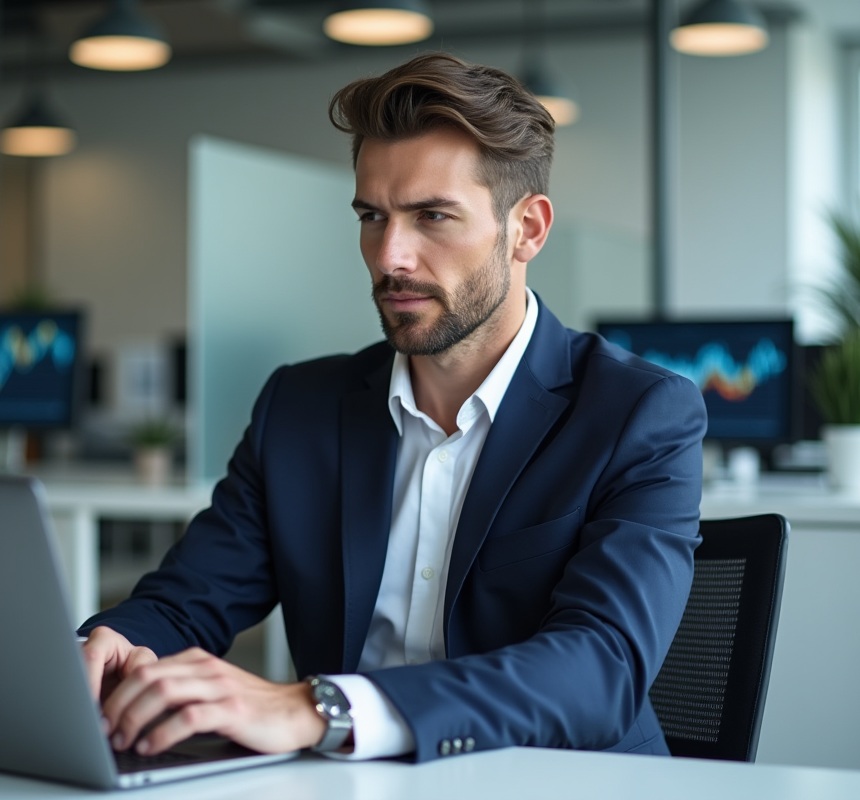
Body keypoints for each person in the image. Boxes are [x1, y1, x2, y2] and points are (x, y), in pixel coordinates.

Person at [78, 52, 707, 764]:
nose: (391, 256)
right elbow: (184, 602)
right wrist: (107, 648)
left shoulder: (638, 413)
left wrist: (319, 709)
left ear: (527, 229)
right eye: (372, 216)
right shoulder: (301, 408)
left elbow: (601, 670)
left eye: (432, 216)